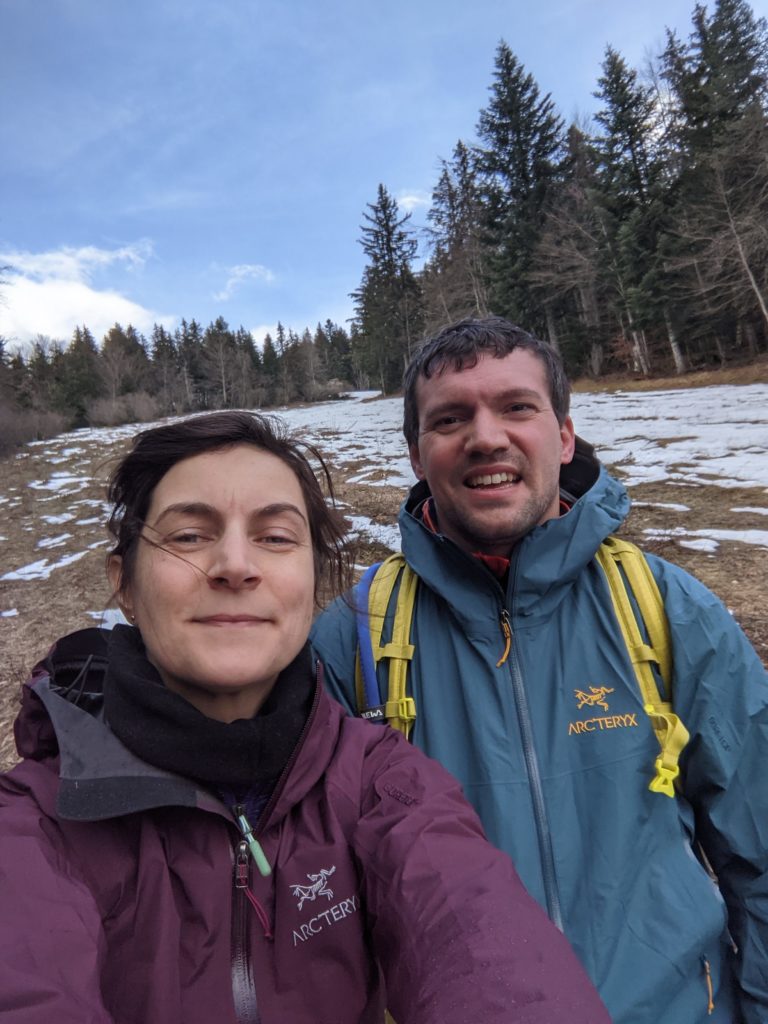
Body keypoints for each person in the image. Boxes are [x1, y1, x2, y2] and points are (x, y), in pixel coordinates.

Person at [0, 411, 608, 1024]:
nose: (235, 565)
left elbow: (486, 950)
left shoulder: (382, 784)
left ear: (314, 580)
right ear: (124, 582)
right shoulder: (35, 823)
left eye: (276, 537)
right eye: (188, 535)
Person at [311, 317, 768, 1024]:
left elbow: (760, 849)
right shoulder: (356, 637)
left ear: (563, 436)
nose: (486, 437)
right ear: (415, 454)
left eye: (517, 407)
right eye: (451, 418)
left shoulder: (662, 607)